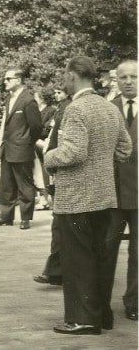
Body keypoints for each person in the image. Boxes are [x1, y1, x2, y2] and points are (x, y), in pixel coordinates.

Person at [44, 56, 132, 335]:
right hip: (104, 197)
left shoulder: (76, 109)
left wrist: (47, 155)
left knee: (77, 260)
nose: (64, 81)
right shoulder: (110, 108)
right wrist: (101, 164)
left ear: (72, 75)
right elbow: (125, 149)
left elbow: (73, 152)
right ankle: (102, 315)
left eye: (65, 76)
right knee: (99, 258)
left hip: (76, 199)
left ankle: (83, 319)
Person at [105, 60, 138, 322]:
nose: (128, 81)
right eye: (123, 77)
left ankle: (134, 302)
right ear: (116, 80)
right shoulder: (108, 109)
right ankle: (100, 305)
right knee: (106, 250)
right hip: (112, 195)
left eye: (134, 76)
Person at [0, 68, 42, 230]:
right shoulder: (9, 99)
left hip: (22, 149)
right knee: (6, 185)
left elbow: (36, 126)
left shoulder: (28, 100)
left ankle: (25, 218)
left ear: (18, 80)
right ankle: (6, 217)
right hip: (7, 149)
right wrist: (0, 143)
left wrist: (26, 142)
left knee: (24, 185)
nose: (4, 82)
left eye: (8, 79)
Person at [32, 85, 70, 286]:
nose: (57, 95)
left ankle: (58, 271)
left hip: (64, 171)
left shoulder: (68, 108)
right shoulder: (62, 108)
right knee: (59, 224)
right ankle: (56, 270)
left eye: (59, 91)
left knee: (61, 224)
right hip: (58, 170)